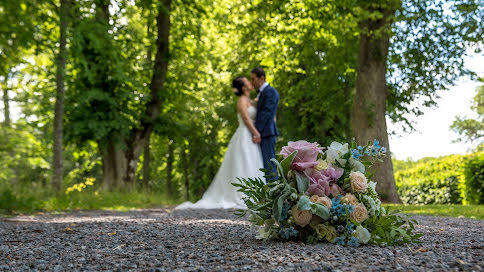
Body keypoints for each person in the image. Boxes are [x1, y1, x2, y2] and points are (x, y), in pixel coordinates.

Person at [176, 77, 263, 209]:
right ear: (244, 87)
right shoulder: (241, 101)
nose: (251, 82)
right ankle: (241, 195)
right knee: (243, 163)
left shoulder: (251, 101)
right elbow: (245, 118)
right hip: (245, 134)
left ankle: (255, 194)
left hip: (252, 136)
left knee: (252, 162)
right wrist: (256, 132)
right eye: (247, 81)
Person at [250, 67, 280, 179]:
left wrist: (256, 132)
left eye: (253, 79)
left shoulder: (270, 92)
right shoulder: (263, 93)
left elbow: (266, 114)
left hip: (266, 133)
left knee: (269, 166)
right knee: (263, 165)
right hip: (264, 133)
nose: (251, 82)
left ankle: (274, 194)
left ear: (261, 78)